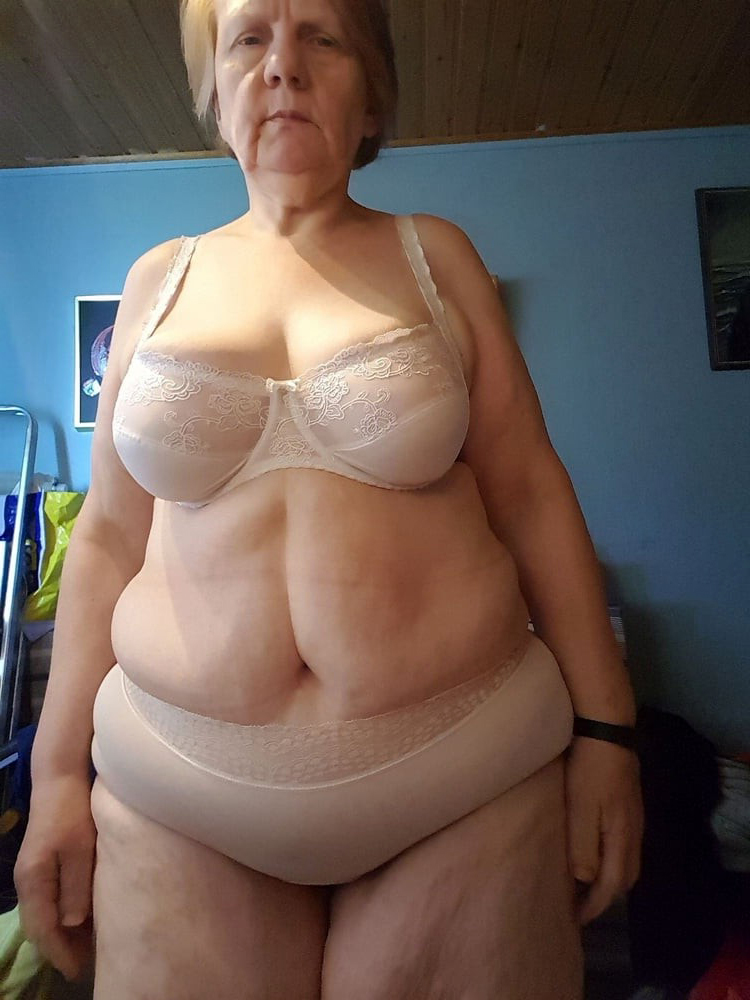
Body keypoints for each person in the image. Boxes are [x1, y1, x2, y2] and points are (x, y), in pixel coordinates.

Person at [14, 0, 644, 996]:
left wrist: (610, 735)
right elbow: (105, 540)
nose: (282, 67)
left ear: (372, 93)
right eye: (249, 39)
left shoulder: (437, 257)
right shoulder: (156, 281)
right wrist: (54, 778)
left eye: (322, 38)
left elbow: (530, 493)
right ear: (215, 92)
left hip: (465, 783)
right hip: (175, 800)